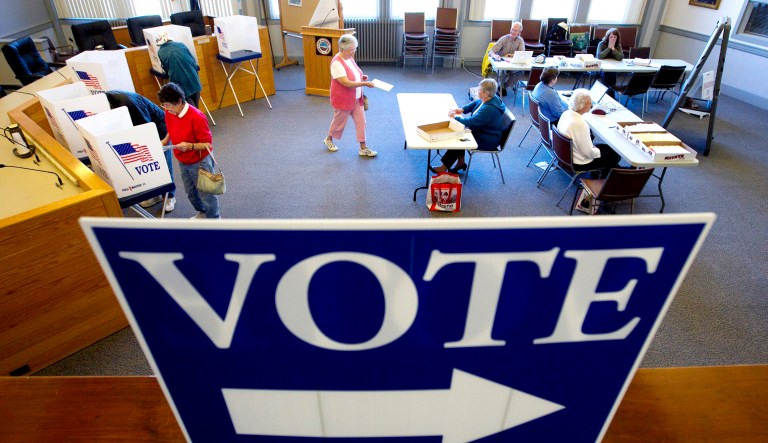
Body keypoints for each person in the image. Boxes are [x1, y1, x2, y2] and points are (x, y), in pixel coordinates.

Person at [105, 90, 177, 212]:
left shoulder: (128, 103)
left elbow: (145, 127)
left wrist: (153, 145)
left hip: (159, 130)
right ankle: (155, 195)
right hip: (141, 130)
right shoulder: (109, 100)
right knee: (148, 166)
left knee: (162, 164)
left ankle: (169, 196)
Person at [158, 82, 220, 219]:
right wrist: (166, 139)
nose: (165, 108)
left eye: (167, 104)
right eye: (164, 105)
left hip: (200, 161)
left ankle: (215, 220)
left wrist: (190, 146)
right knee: (190, 192)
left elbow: (207, 145)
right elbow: (170, 127)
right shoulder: (170, 112)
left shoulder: (196, 117)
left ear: (179, 101)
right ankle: (202, 213)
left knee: (207, 193)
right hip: (183, 160)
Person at [433, 78, 506, 174]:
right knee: (461, 133)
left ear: (486, 93)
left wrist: (454, 117)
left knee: (459, 136)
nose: (477, 91)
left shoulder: (489, 109)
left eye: (479, 90)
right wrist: (462, 109)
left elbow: (469, 123)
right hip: (484, 132)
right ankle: (460, 162)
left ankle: (444, 167)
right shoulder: (491, 98)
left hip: (487, 139)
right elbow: (477, 103)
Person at [324, 34, 377, 158]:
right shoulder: (336, 63)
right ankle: (328, 139)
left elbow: (353, 74)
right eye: (352, 49)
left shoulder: (349, 57)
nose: (354, 52)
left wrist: (361, 77)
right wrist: (364, 83)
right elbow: (345, 82)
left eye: (354, 49)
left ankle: (363, 148)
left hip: (356, 98)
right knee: (339, 122)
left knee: (361, 122)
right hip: (343, 99)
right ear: (343, 49)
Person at [556, 89, 621, 177]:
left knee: (607, 148)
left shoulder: (566, 114)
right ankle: (607, 178)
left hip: (566, 156)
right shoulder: (580, 124)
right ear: (582, 106)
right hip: (579, 162)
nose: (591, 105)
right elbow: (588, 153)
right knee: (614, 156)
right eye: (589, 102)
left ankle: (616, 172)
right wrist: (595, 150)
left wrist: (593, 147)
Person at [156, 32, 202, 107]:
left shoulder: (161, 52)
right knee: (196, 105)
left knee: (189, 107)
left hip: (179, 82)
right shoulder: (181, 45)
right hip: (194, 79)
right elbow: (193, 61)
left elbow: (166, 68)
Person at [488, 22, 525, 95]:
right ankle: (501, 88)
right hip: (501, 63)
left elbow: (521, 54)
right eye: (512, 29)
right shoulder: (504, 38)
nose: (513, 32)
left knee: (520, 73)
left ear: (519, 32)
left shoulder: (520, 41)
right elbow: (491, 52)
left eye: (515, 30)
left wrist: (510, 55)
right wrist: (495, 55)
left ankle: (503, 87)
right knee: (503, 71)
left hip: (513, 64)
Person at [596, 28, 624, 97]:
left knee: (612, 74)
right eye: (611, 37)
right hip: (602, 67)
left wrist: (613, 49)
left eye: (615, 37)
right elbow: (599, 56)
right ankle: (606, 95)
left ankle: (610, 94)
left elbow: (620, 57)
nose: (613, 39)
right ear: (607, 37)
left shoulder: (618, 45)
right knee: (607, 74)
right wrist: (608, 48)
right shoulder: (601, 44)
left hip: (613, 67)